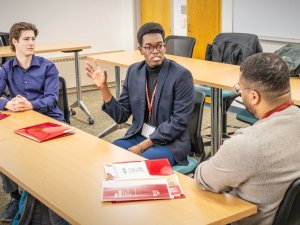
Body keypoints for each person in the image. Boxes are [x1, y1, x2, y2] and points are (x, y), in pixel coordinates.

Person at [194, 53, 300, 225]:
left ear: (253, 96)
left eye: (239, 89)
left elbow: (203, 179)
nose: (239, 92)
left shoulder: (247, 144)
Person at [85, 22, 194, 166]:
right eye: (149, 47)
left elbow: (178, 122)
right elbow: (121, 116)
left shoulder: (181, 75)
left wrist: (142, 147)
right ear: (140, 49)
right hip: (139, 135)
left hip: (170, 142)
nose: (155, 51)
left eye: (159, 45)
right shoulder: (134, 71)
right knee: (112, 153)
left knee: (139, 162)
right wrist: (103, 87)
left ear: (164, 46)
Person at [0, 22, 64, 221]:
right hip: (20, 119)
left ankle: (42, 198)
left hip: (48, 119)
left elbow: (52, 98)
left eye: (33, 39)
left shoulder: (48, 67)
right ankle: (14, 196)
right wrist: (7, 104)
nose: (31, 43)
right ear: (14, 42)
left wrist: (30, 104)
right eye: (26, 39)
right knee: (4, 151)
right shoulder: (6, 68)